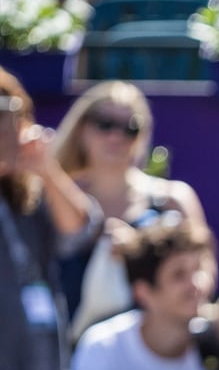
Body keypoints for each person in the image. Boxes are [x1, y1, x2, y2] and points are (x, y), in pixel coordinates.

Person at [51, 81, 206, 339]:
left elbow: (203, 274)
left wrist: (141, 249)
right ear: (81, 129)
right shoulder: (56, 196)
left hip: (157, 351)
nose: (116, 136)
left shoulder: (171, 199)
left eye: (130, 128)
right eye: (105, 123)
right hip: (69, 354)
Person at [0, 67, 95, 370]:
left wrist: (45, 168)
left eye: (14, 117)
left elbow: (79, 230)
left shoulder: (30, 189)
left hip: (36, 355)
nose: (8, 132)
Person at [70, 215, 214, 370]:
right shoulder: (102, 349)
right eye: (179, 275)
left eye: (198, 270)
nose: (195, 284)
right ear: (143, 291)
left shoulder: (218, 348)